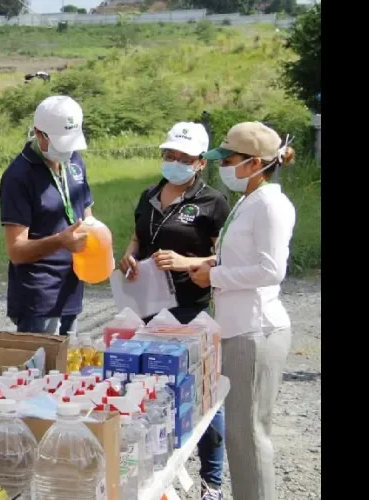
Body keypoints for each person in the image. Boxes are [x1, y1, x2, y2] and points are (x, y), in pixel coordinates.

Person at [117, 122, 229, 500]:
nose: (174, 162)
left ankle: (211, 481)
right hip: (147, 309)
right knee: (152, 394)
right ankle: (160, 475)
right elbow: (138, 237)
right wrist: (129, 256)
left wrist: (184, 261)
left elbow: (224, 257)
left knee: (201, 395)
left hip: (189, 312)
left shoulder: (214, 202)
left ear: (200, 163)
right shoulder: (149, 194)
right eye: (169, 155)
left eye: (184, 157)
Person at [189, 122, 296, 500]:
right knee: (241, 434)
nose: (224, 167)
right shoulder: (250, 199)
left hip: (256, 330)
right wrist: (204, 264)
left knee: (249, 435)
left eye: (229, 160)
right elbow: (241, 258)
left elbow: (271, 270)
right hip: (239, 327)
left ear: (253, 163)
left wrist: (214, 274)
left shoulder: (270, 203)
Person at [0, 95, 92, 336]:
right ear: (39, 134)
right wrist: (61, 241)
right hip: (39, 299)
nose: (67, 151)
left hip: (72, 289)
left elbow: (86, 215)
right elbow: (17, 251)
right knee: (38, 372)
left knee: (69, 370)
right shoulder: (18, 177)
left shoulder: (74, 161)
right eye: (61, 144)